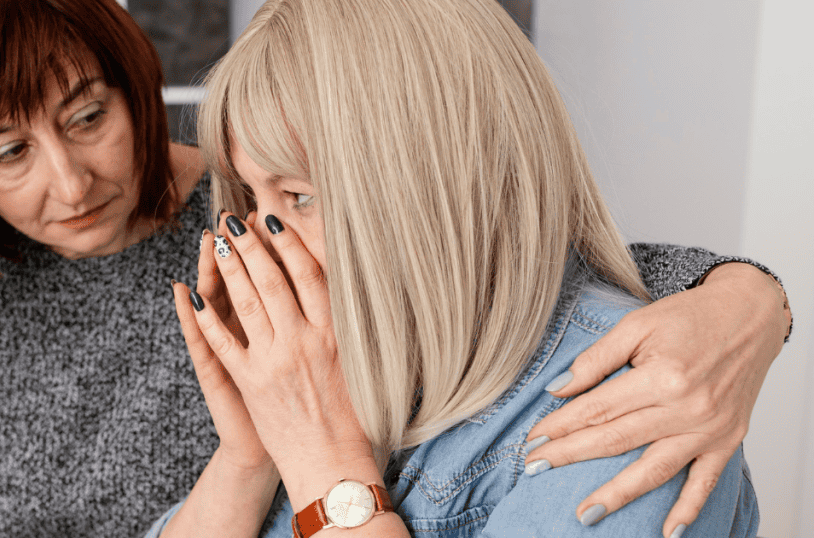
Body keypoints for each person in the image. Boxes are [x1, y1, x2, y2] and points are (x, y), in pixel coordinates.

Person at [0, 0, 788, 537]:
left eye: (86, 117)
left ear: (133, 88)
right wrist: (260, 453)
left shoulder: (231, 226)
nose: (69, 182)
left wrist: (749, 293)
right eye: (7, 153)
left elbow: (523, 265)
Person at [159, 0, 792, 537]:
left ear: (437, 184)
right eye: (252, 201)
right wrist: (249, 457)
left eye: (300, 196)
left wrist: (326, 469)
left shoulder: (631, 412)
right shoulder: (337, 371)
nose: (261, 248)